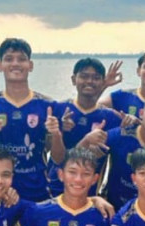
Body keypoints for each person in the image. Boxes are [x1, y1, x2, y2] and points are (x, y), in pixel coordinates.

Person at [0, 38, 64, 202]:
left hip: (37, 189)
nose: (15, 64)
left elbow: (58, 158)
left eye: (21, 59)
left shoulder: (48, 105)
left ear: (30, 65)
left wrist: (56, 134)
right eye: (9, 59)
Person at [47, 57, 124, 197]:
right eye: (84, 76)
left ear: (102, 82)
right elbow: (55, 156)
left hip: (90, 194)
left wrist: (133, 120)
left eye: (96, 78)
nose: (89, 81)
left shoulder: (111, 117)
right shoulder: (58, 109)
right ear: (73, 79)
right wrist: (60, 131)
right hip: (55, 189)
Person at [99, 51, 145, 118]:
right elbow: (95, 106)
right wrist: (104, 86)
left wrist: (138, 122)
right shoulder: (123, 95)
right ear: (138, 71)